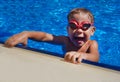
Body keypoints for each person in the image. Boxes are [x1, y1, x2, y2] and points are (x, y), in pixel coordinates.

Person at [4, 8, 99, 64]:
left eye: (85, 26)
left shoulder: (91, 44)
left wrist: (82, 55)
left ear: (92, 31)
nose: (78, 30)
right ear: (67, 29)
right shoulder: (65, 40)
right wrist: (27, 34)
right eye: (73, 25)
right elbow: (46, 36)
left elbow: (95, 57)